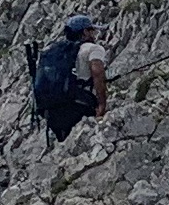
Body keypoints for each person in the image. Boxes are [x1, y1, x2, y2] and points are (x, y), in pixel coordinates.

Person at [28, 12, 109, 141]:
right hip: (79, 105)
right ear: (84, 32)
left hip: (52, 111)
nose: (94, 34)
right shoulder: (93, 49)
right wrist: (102, 105)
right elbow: (98, 74)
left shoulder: (52, 50)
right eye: (91, 30)